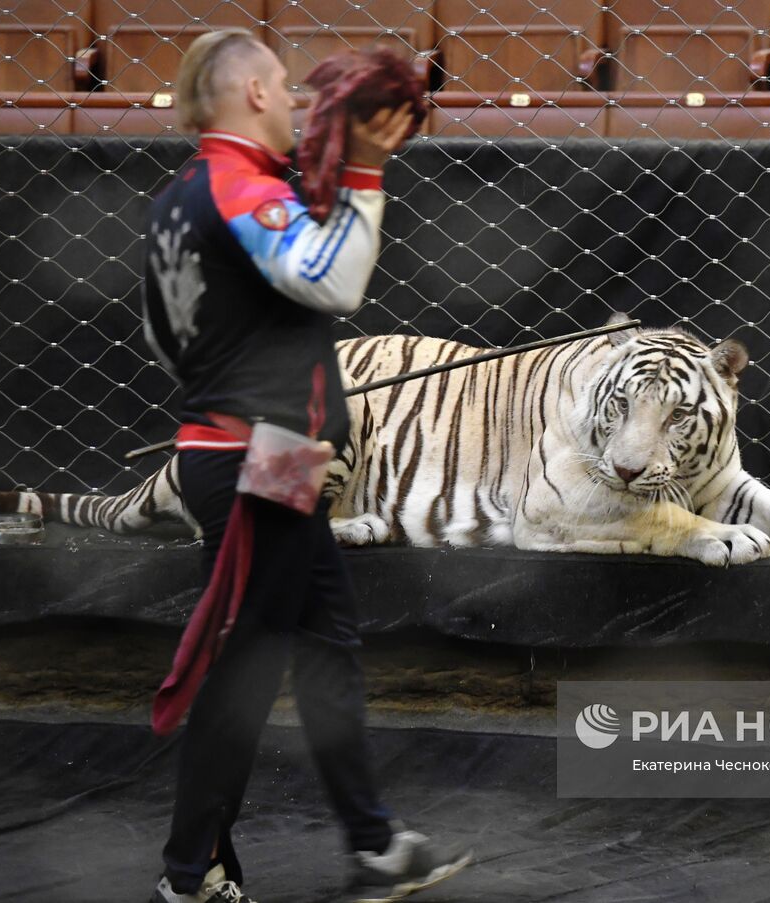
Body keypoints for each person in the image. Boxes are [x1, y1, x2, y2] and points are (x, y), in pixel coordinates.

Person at [140, 29, 472, 903]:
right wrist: (363, 168)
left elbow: (164, 333)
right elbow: (332, 283)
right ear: (250, 93)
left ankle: (373, 843)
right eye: (283, 88)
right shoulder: (243, 186)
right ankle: (188, 875)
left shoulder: (179, 194)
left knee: (326, 645)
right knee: (244, 675)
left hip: (257, 454)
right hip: (256, 464)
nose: (294, 101)